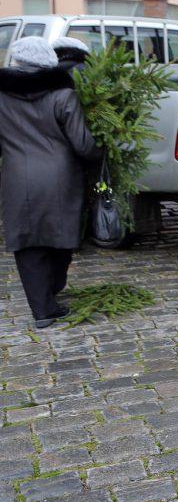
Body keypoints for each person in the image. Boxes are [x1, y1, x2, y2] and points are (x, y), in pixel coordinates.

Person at [0, 37, 101, 328]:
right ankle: (53, 290)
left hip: (17, 177)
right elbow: (83, 144)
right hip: (60, 177)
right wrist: (102, 153)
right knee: (61, 236)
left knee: (27, 242)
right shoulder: (62, 95)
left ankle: (42, 309)